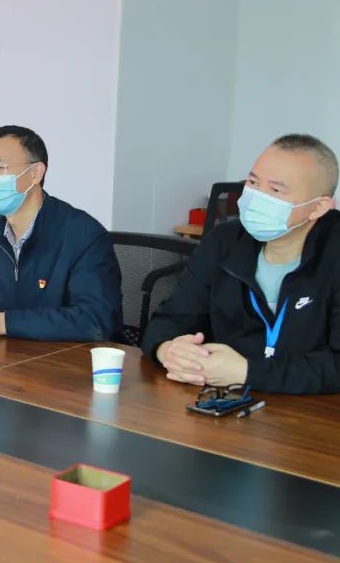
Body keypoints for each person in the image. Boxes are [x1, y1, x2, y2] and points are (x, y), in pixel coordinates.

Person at [143, 134, 340, 394]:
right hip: (223, 400)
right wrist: (169, 351)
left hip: (313, 410)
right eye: (253, 182)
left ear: (318, 207)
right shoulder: (223, 241)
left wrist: (247, 372)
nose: (257, 197)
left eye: (275, 191)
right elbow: (170, 318)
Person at [0, 126, 122, 341]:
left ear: (35, 173)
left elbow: (95, 320)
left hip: (73, 358)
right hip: (10, 355)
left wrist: (3, 323)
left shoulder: (84, 235)